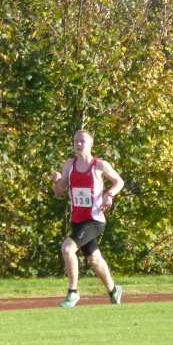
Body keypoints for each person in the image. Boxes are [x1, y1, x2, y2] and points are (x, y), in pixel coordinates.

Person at [50, 129, 125, 307]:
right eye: (76, 141)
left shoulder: (99, 165)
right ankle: (113, 290)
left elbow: (119, 182)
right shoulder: (69, 165)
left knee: (67, 248)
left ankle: (73, 292)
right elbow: (59, 191)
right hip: (77, 220)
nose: (78, 144)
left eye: (82, 141)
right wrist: (56, 181)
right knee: (94, 260)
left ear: (91, 144)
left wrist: (109, 194)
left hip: (94, 220)